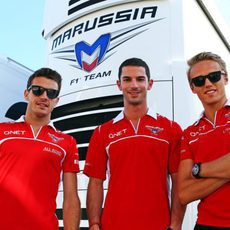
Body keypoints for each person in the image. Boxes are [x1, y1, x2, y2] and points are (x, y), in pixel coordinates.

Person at [83, 57, 186, 230]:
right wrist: (94, 223)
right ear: (119, 84)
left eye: (140, 79)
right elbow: (95, 182)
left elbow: (178, 182)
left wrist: (175, 225)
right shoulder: (102, 132)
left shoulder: (171, 129)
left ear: (150, 83)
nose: (134, 85)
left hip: (158, 225)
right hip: (113, 224)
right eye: (127, 79)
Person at [0, 68, 81, 230]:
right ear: (26, 94)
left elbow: (71, 197)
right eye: (38, 90)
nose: (44, 97)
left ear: (56, 100)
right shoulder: (2, 131)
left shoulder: (67, 142)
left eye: (51, 93)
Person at [177, 52, 230, 229]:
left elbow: (192, 180)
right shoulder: (189, 134)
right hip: (206, 224)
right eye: (199, 80)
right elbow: (184, 194)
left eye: (214, 76)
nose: (207, 84)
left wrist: (199, 170)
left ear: (226, 78)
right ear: (193, 88)